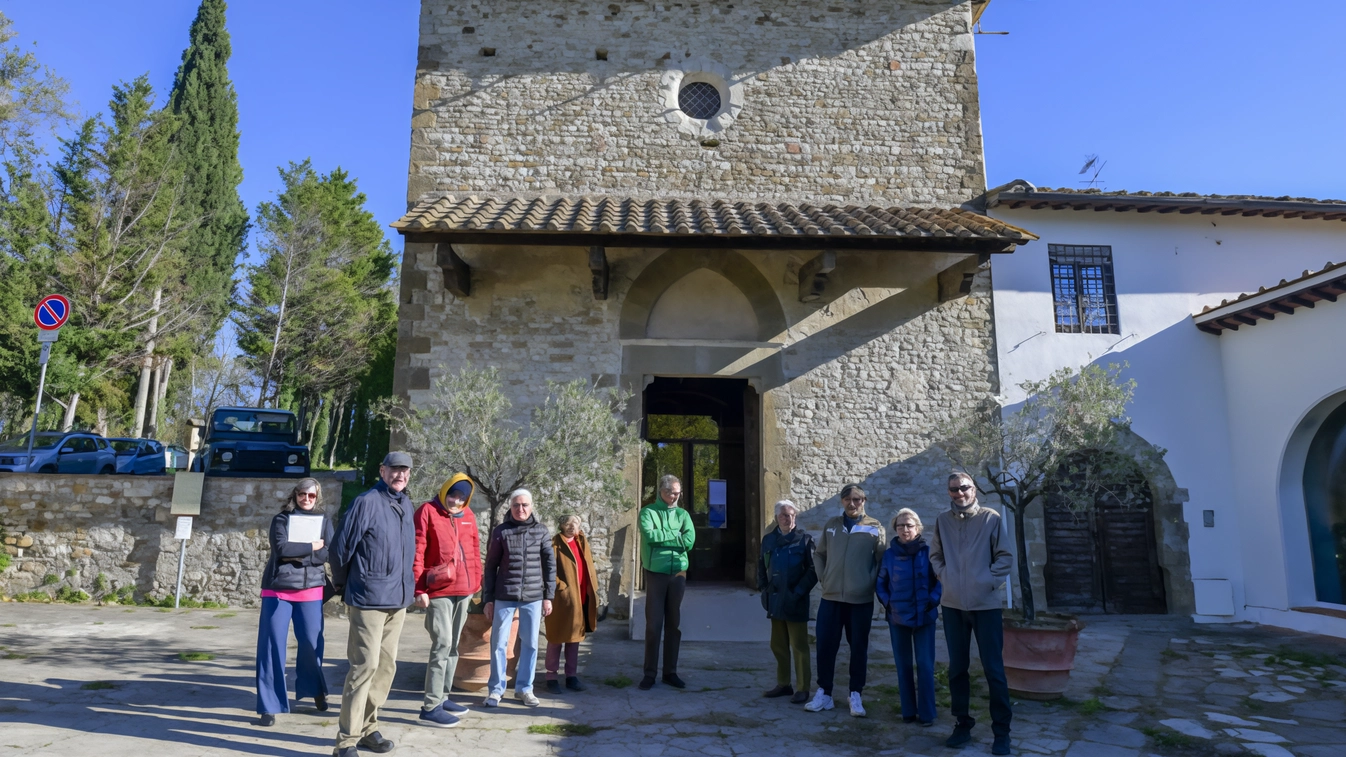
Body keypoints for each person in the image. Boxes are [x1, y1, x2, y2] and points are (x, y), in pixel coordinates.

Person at [329, 452, 418, 757]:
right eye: (394, 469)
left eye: (405, 470)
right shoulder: (367, 502)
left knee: (386, 668)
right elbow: (340, 549)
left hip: (398, 599)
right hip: (368, 599)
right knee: (364, 667)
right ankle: (345, 742)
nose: (400, 475)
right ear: (382, 470)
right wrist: (342, 584)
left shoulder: (405, 504)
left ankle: (368, 729)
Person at [928, 472, 1015, 756]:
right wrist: (946, 577)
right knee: (957, 669)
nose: (959, 493)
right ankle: (962, 724)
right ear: (949, 492)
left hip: (985, 606)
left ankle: (1002, 732)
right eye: (953, 489)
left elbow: (1005, 557)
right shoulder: (943, 520)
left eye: (964, 487)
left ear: (974, 490)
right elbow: (935, 555)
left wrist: (986, 581)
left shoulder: (991, 518)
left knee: (993, 670)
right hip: (953, 606)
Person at [255, 477, 335, 726]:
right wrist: (311, 547)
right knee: (271, 648)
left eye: (312, 496)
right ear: (295, 494)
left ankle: (315, 691)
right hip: (278, 590)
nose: (307, 499)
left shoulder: (324, 521)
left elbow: (327, 553)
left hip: (311, 590)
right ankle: (269, 705)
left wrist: (303, 554)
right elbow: (281, 549)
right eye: (303, 494)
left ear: (317, 497)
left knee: (312, 645)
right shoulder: (281, 519)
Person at [805, 483, 885, 717]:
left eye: (858, 499)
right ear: (841, 501)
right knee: (825, 646)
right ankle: (825, 693)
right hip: (831, 598)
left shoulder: (875, 528)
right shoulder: (832, 526)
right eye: (848, 499)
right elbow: (819, 555)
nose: (853, 503)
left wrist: (869, 582)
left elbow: (881, 561)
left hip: (860, 600)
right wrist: (824, 578)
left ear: (864, 501)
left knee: (858, 647)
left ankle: (855, 694)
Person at [413, 473, 482, 727]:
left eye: (462, 497)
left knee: (453, 646)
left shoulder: (469, 515)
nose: (456, 501)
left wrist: (476, 584)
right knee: (441, 644)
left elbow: (475, 550)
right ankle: (430, 707)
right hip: (438, 591)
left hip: (464, 590)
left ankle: (443, 697)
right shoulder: (427, 511)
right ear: (445, 492)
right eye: (453, 495)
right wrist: (419, 589)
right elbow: (418, 549)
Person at [482, 489, 555, 708]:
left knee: (531, 644)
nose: (520, 509)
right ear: (510, 507)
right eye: (516, 505)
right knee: (498, 644)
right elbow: (491, 566)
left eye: (524, 505)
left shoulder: (542, 531)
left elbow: (550, 565)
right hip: (505, 595)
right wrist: (489, 598)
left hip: (533, 597)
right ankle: (496, 690)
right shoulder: (501, 532)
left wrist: (548, 596)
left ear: (531, 507)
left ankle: (525, 689)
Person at [876, 508, 942, 727]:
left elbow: (941, 579)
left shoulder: (929, 551)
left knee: (925, 665)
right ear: (895, 528)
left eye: (909, 525)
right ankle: (907, 711)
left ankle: (927, 713)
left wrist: (933, 600)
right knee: (903, 665)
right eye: (901, 525)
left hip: (925, 617)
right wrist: (889, 603)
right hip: (898, 618)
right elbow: (881, 583)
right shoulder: (889, 554)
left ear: (918, 527)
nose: (905, 529)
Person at [638, 473, 695, 690]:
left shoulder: (683, 514)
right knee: (653, 625)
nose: (675, 496)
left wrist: (665, 537)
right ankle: (649, 674)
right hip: (656, 573)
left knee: (674, 625)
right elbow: (650, 536)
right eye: (672, 492)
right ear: (661, 491)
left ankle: (670, 672)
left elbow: (689, 541)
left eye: (678, 493)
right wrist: (675, 537)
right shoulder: (648, 512)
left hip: (678, 573)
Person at [757, 499, 817, 705]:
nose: (788, 518)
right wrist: (763, 589)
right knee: (778, 645)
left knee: (799, 646)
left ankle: (803, 688)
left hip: (795, 601)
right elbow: (761, 565)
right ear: (776, 517)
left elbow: (813, 570)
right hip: (775, 600)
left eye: (791, 515)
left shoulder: (805, 540)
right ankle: (783, 684)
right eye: (784, 515)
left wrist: (798, 592)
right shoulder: (768, 540)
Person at [543, 514, 599, 694]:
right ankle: (551, 676)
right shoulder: (555, 544)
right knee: (556, 637)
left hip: (581, 596)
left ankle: (571, 676)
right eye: (567, 524)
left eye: (575, 523)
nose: (571, 527)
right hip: (562, 598)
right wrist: (562, 586)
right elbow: (547, 569)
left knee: (574, 638)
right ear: (561, 526)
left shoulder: (581, 542)